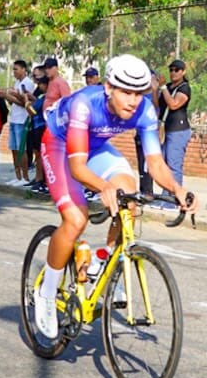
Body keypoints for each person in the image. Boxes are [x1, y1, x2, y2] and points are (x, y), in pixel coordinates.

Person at [28, 55, 197, 341]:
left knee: (129, 197)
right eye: (126, 92)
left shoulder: (145, 110)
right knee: (76, 220)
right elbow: (77, 168)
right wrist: (104, 186)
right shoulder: (85, 104)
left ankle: (105, 260)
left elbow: (155, 163)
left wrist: (177, 190)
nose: (133, 101)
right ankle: (46, 293)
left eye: (139, 93)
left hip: (95, 147)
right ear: (108, 87)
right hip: (59, 145)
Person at [30, 57, 69, 192]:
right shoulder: (50, 83)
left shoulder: (60, 83)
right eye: (45, 68)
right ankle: (47, 182)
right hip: (47, 124)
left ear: (55, 68)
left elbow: (67, 103)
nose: (46, 71)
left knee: (57, 155)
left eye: (49, 68)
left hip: (57, 126)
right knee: (48, 155)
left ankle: (59, 185)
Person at [153, 59, 193, 191]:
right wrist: (155, 89)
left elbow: (174, 104)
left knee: (174, 165)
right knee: (164, 165)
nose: (173, 73)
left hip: (178, 131)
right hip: (166, 130)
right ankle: (166, 195)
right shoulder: (168, 87)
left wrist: (163, 88)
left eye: (177, 70)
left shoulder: (184, 88)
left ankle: (175, 196)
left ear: (183, 72)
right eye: (171, 70)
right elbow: (157, 105)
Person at [2, 59, 36, 186]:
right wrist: (7, 97)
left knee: (22, 149)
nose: (14, 72)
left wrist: (11, 96)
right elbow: (13, 102)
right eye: (13, 69)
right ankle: (18, 176)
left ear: (23, 69)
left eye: (16, 69)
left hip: (22, 120)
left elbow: (24, 103)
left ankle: (25, 177)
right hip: (14, 118)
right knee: (14, 149)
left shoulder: (28, 84)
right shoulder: (16, 83)